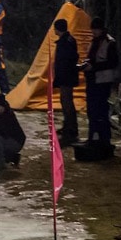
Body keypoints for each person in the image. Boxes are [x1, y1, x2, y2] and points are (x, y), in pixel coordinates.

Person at [83, 17, 119, 147]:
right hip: (92, 80)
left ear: (101, 29)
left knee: (101, 111)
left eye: (96, 30)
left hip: (103, 82)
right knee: (92, 111)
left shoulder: (109, 43)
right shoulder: (93, 41)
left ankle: (104, 139)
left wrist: (94, 67)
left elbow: (113, 62)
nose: (94, 32)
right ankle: (93, 137)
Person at [52, 18, 81, 146]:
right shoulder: (68, 41)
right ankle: (68, 127)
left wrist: (60, 76)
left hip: (66, 77)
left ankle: (71, 130)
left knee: (67, 103)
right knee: (65, 102)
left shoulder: (66, 42)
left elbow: (66, 61)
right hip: (66, 76)